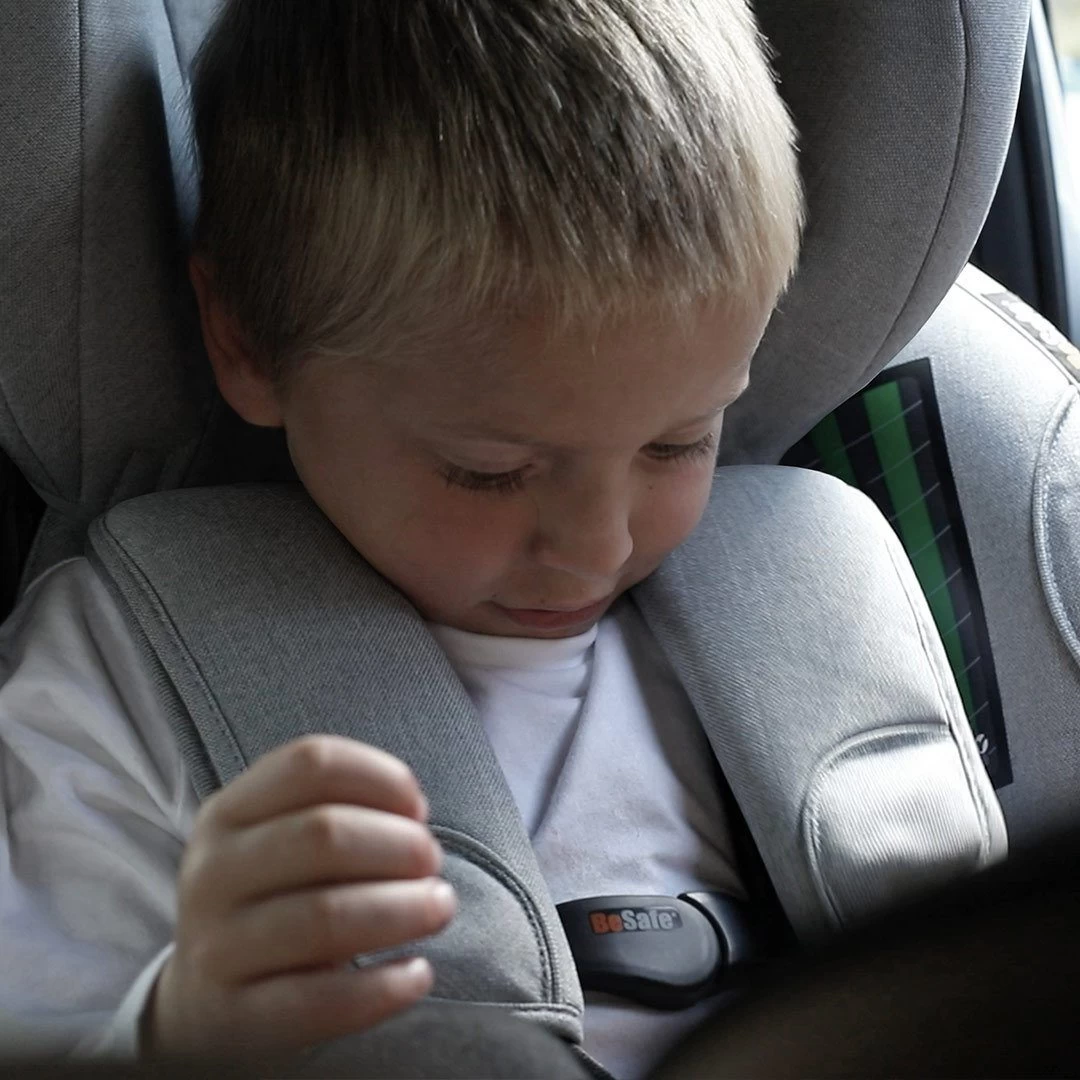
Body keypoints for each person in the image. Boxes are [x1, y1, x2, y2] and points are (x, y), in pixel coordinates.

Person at [0, 3, 1001, 1079]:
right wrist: (181, 1029)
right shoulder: (128, 661)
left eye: (680, 443)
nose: (596, 547)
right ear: (245, 341)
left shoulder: (821, 606)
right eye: (489, 470)